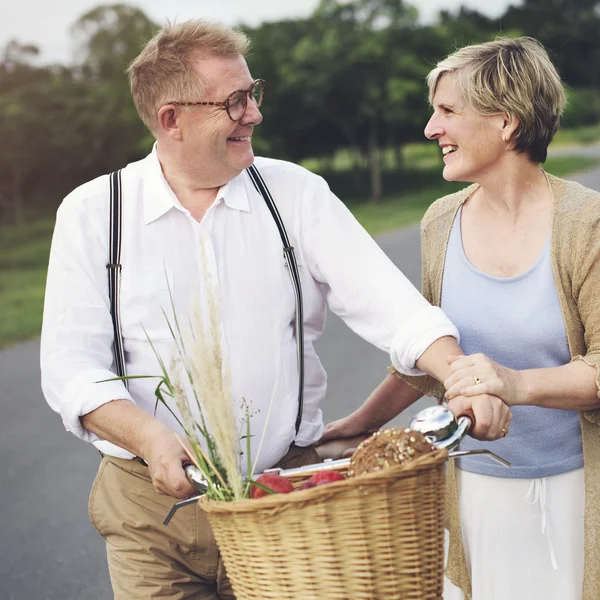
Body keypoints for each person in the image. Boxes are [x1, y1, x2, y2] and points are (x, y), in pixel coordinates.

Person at [40, 20, 510, 600]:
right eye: (234, 101)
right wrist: (149, 437)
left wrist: (461, 375)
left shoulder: (295, 194)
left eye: (252, 92)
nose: (254, 114)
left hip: (287, 500)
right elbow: (70, 367)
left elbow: (395, 309)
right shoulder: (92, 215)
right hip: (151, 516)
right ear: (171, 119)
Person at [320, 37, 600, 600]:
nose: (430, 128)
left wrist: (513, 383)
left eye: (447, 111)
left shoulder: (585, 224)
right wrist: (359, 425)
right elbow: (432, 358)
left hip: (576, 490)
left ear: (506, 122)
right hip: (472, 488)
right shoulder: (440, 221)